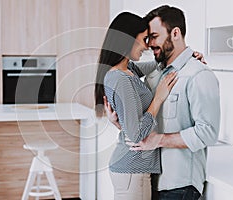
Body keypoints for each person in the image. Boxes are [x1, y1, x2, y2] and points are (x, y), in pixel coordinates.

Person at [107, 5, 221, 200]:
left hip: (179, 185)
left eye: (154, 36)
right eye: (147, 38)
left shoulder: (198, 74)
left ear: (175, 33)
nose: (149, 44)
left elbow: (208, 132)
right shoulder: (154, 73)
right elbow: (145, 120)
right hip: (150, 178)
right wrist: (121, 123)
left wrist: (157, 140)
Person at [94, 12, 178, 200]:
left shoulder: (128, 70)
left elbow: (159, 64)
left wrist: (190, 56)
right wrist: (158, 99)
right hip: (132, 171)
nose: (147, 45)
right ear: (128, 40)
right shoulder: (120, 78)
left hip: (132, 171)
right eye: (144, 39)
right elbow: (136, 134)